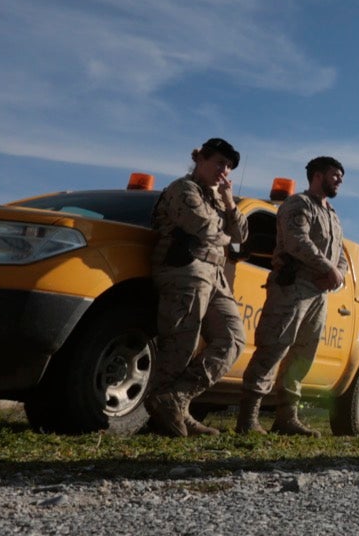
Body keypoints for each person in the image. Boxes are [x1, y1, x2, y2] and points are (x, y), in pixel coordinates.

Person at [145, 137, 249, 437]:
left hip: (215, 274)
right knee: (181, 343)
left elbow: (241, 233)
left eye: (228, 167)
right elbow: (205, 228)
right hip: (184, 269)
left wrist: (230, 203)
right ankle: (162, 411)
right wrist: (228, 236)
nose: (224, 171)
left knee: (232, 339)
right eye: (219, 162)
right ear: (200, 159)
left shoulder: (219, 197)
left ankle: (176, 399)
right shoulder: (183, 189)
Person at [237, 156, 348, 436]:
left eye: (341, 177)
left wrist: (338, 274)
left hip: (319, 294)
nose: (339, 181)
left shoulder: (332, 215)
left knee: (302, 355)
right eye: (335, 175)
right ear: (318, 176)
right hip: (292, 288)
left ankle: (286, 418)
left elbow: (341, 256)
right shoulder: (298, 204)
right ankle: (248, 419)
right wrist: (328, 268)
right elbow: (297, 241)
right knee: (274, 348)